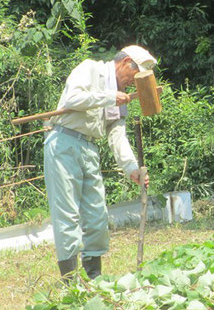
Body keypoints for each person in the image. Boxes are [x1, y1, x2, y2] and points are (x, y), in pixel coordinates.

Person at [43, 45, 155, 281]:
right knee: (68, 216)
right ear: (126, 63)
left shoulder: (121, 94)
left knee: (97, 216)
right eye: (136, 75)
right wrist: (108, 97)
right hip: (63, 142)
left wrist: (131, 168)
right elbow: (73, 98)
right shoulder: (90, 69)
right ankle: (71, 282)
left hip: (89, 148)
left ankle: (93, 278)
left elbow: (117, 134)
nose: (135, 83)